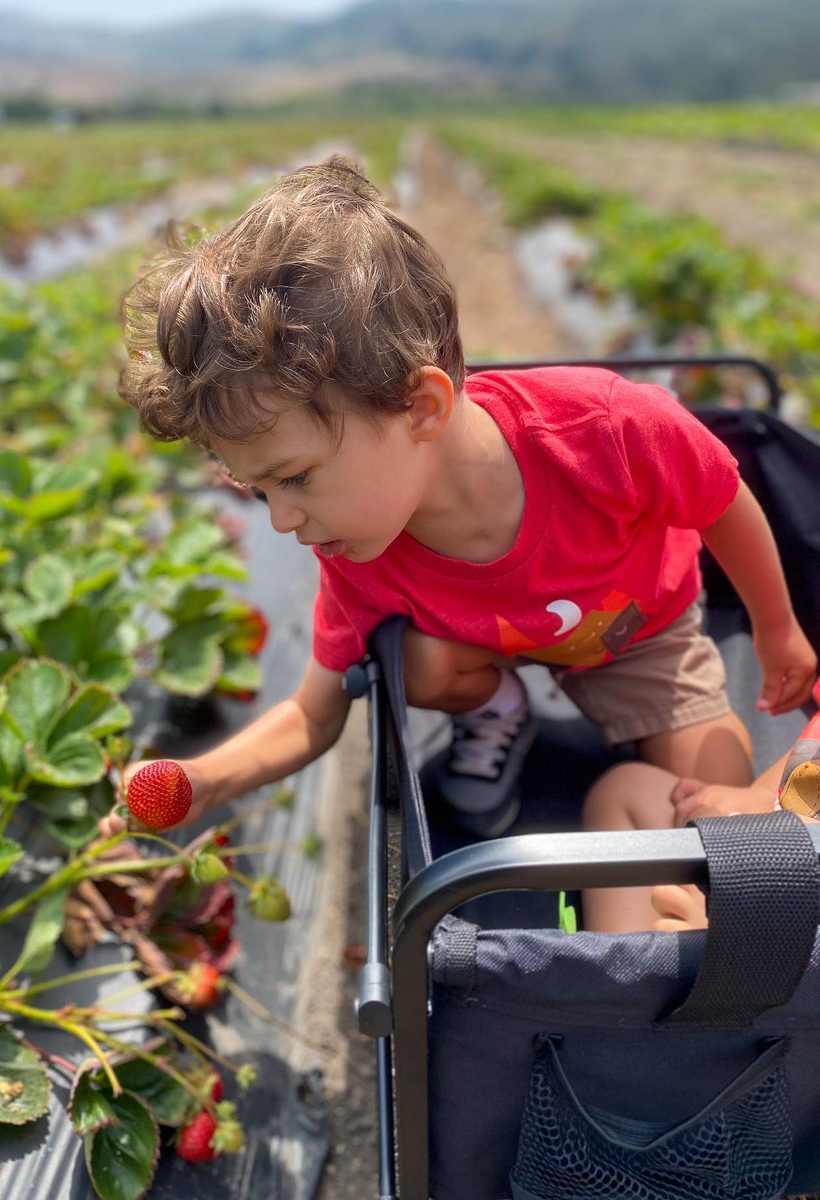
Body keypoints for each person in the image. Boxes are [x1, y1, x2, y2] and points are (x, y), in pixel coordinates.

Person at [106, 154, 816, 840]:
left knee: (708, 785)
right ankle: (497, 706)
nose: (284, 519)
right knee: (409, 661)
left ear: (420, 406)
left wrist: (775, 627)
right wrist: (205, 781)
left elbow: (722, 499)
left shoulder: (605, 429)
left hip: (633, 625)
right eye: (256, 489)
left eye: (294, 478)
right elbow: (313, 714)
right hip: (480, 646)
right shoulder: (358, 545)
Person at [582, 700, 820, 933]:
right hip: (775, 846)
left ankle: (734, 947)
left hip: (789, 915)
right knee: (629, 788)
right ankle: (629, 963)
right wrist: (756, 796)